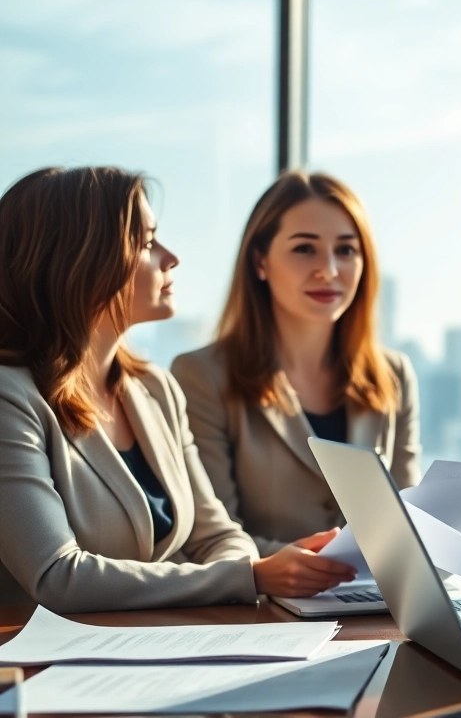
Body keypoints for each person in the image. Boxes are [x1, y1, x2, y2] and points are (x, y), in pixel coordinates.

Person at [0, 166, 358, 611]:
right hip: (46, 668)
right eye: (147, 243)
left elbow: (219, 535)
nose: (171, 257)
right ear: (78, 259)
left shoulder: (154, 389)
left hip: (165, 649)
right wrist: (249, 575)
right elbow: (57, 577)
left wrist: (247, 572)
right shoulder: (10, 397)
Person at [172, 171, 421, 557]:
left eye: (346, 250)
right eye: (305, 249)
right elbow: (208, 538)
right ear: (260, 261)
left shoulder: (394, 375)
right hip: (263, 609)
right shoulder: (201, 376)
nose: (329, 270)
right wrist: (295, 567)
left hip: (375, 606)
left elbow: (412, 526)